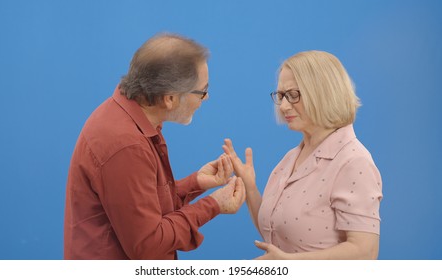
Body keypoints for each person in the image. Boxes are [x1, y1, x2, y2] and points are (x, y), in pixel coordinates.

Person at [64, 33, 246, 260]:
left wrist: (196, 183)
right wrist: (213, 205)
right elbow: (148, 244)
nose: (206, 98)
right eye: (202, 91)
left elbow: (142, 207)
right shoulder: (126, 145)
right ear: (169, 98)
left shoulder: (126, 118)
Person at [223, 50, 383, 259]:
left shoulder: (354, 162)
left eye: (293, 95)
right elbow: (276, 233)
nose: (284, 105)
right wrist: (250, 187)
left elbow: (365, 252)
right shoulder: (291, 157)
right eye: (280, 96)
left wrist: (290, 264)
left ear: (324, 93)